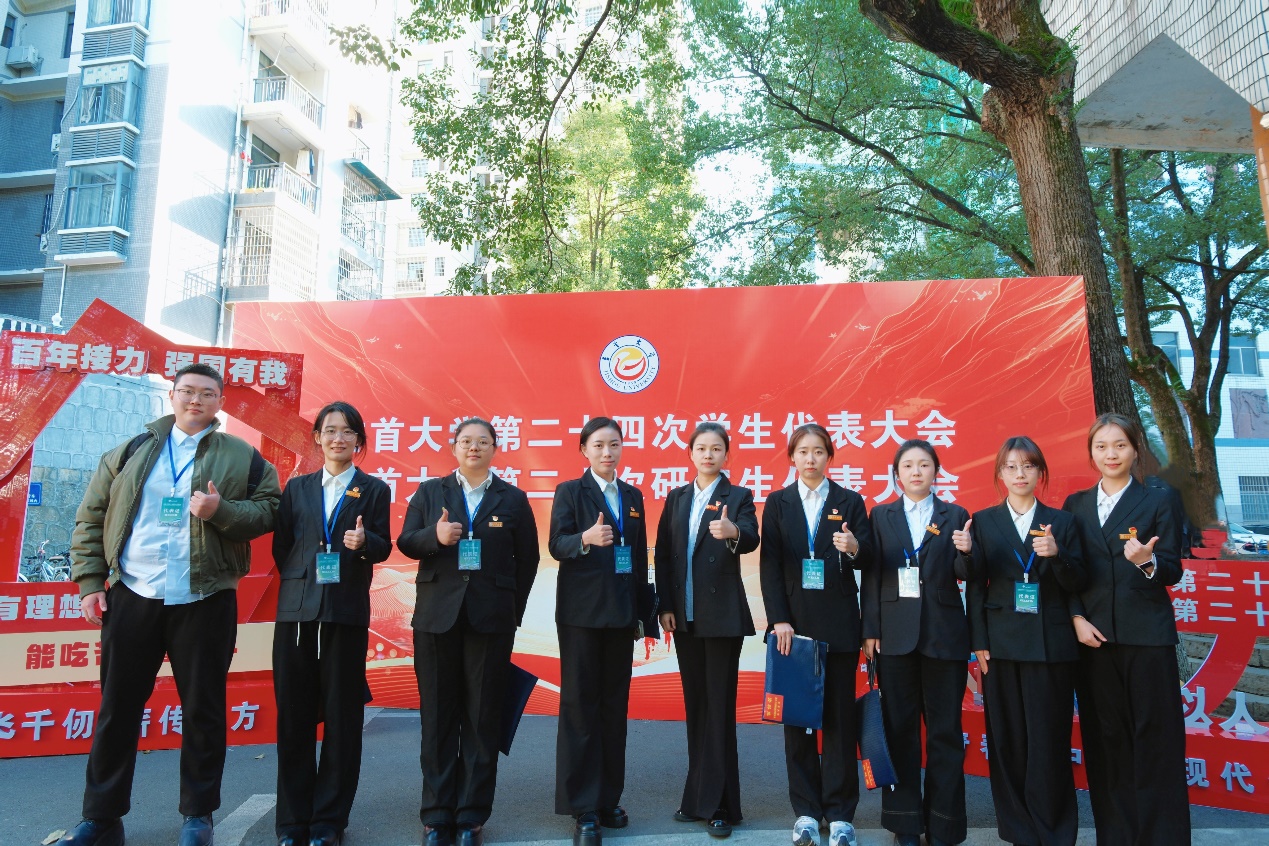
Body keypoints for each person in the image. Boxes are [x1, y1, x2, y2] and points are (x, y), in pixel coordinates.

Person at [61, 362, 281, 846]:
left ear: (220, 402)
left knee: (203, 709)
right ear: (172, 395)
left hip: (204, 597)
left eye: (206, 393)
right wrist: (91, 581)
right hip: (133, 592)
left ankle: (198, 816)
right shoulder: (131, 451)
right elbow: (92, 516)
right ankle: (101, 819)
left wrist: (221, 511)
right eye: (187, 391)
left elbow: (270, 510)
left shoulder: (242, 456)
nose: (195, 400)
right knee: (117, 708)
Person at [397, 418, 540, 846]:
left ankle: (472, 815)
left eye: (482, 441)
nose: (474, 447)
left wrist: (510, 611)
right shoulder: (430, 492)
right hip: (437, 617)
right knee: (438, 716)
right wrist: (435, 536)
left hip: (491, 619)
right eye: (466, 441)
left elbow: (528, 559)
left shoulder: (512, 498)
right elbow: (406, 542)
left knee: (482, 718)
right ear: (454, 447)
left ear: (495, 448)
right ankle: (437, 814)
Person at [1062, 413, 1189, 846]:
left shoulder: (1158, 500)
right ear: (1091, 453)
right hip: (1093, 640)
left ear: (1135, 450)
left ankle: (1162, 838)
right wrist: (1076, 618)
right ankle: (1115, 836)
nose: (1110, 454)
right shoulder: (1076, 505)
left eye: (1120, 445)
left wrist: (1147, 562)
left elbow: (1172, 568)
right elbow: (1067, 572)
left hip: (1147, 637)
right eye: (1101, 446)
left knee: (1156, 741)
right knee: (1105, 741)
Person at [271, 402, 393, 846]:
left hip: (344, 612)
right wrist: (303, 582)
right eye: (330, 430)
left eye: (347, 432)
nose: (338, 438)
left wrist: (364, 542)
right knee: (294, 720)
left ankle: (328, 822)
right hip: (297, 615)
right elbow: (284, 546)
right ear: (317, 437)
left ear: (359, 441)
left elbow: (383, 546)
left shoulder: (373, 489)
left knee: (343, 720)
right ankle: (292, 822)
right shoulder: (297, 488)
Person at [964, 436, 1086, 846]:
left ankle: (1054, 831)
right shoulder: (983, 521)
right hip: (999, 646)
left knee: (1049, 739)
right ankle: (1019, 831)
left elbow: (1078, 582)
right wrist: (978, 639)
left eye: (1028, 466)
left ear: (1040, 473)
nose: (1020, 474)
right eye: (1012, 467)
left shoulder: (1062, 522)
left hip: (1050, 645)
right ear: (1000, 474)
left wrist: (1057, 554)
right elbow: (976, 585)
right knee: (1008, 740)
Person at [759, 423, 872, 846]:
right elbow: (770, 565)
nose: (811, 458)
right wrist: (779, 619)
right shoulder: (779, 502)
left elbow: (869, 559)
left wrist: (854, 548)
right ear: (792, 457)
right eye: (803, 451)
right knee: (799, 722)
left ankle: (841, 815)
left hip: (840, 625)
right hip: (794, 628)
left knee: (840, 723)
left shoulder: (849, 501)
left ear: (829, 457)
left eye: (819, 451)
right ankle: (806, 812)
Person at [549, 417, 656, 846]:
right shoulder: (570, 492)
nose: (607, 452)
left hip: (621, 615)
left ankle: (609, 797)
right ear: (584, 450)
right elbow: (557, 545)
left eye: (614, 444)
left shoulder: (632, 496)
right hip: (581, 616)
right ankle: (583, 807)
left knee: (613, 708)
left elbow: (639, 556)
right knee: (581, 708)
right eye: (598, 445)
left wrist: (644, 615)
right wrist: (585, 538)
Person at [861, 438, 973, 846]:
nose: (916, 472)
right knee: (899, 732)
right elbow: (872, 574)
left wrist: (968, 552)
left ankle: (944, 826)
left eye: (924, 465)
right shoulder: (881, 515)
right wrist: (870, 629)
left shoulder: (955, 514)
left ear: (935, 472)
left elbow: (964, 572)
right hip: (894, 637)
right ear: (897, 474)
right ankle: (905, 824)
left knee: (945, 735)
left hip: (944, 636)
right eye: (907, 465)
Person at [655, 422, 760, 839]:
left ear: (726, 455)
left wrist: (733, 532)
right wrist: (665, 605)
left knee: (718, 709)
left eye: (716, 449)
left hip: (721, 618)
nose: (708, 455)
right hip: (684, 617)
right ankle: (696, 798)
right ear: (691, 454)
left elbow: (750, 537)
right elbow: (664, 554)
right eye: (701, 448)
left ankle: (719, 805)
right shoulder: (677, 497)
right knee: (697, 706)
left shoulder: (738, 496)